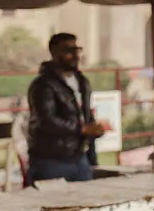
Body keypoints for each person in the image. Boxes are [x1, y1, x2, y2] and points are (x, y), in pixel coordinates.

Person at [26, 32, 105, 182]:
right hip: (51, 160)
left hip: (79, 157)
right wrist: (81, 129)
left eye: (77, 50)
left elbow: (85, 113)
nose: (75, 55)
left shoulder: (82, 81)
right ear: (55, 53)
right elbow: (47, 121)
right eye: (69, 51)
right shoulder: (43, 85)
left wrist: (94, 129)